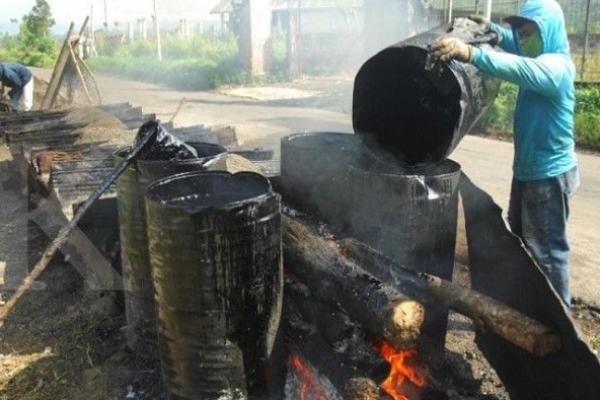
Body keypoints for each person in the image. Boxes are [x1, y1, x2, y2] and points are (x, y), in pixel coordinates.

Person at [431, 0, 579, 306]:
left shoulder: (556, 67)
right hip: (528, 171)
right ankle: (532, 310)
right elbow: (514, 45)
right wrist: (491, 30)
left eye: (529, 32)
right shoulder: (537, 52)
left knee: (548, 252)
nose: (523, 39)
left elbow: (519, 66)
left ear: (548, 31)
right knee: (522, 243)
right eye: (521, 33)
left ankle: (563, 329)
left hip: (549, 176)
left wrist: (471, 52)